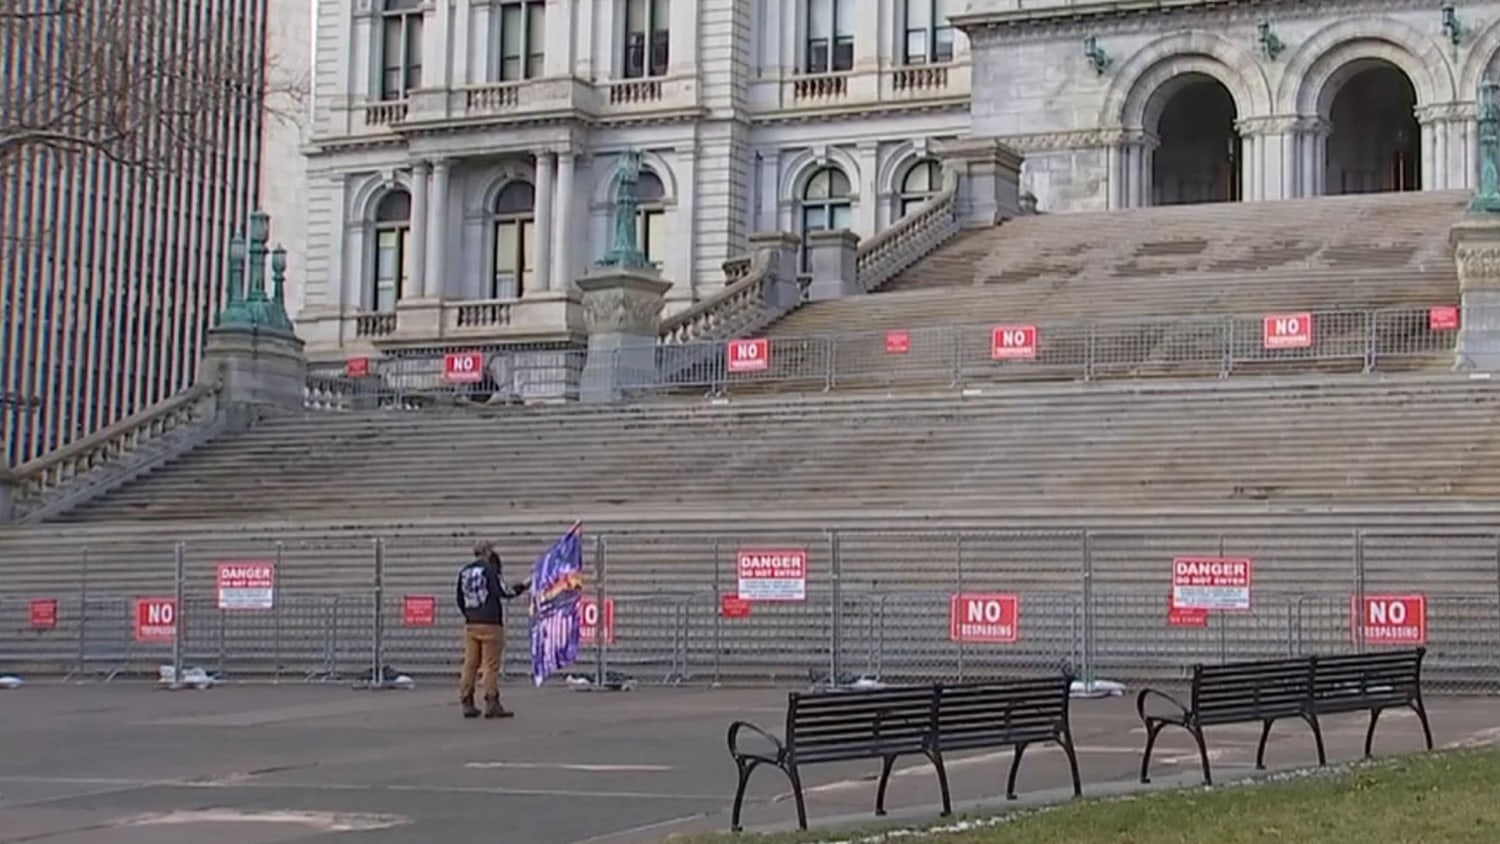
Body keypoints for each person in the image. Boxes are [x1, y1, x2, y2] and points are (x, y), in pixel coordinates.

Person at [456, 541, 529, 719]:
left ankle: (467, 700)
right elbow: (505, 591)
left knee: (470, 663)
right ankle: (491, 701)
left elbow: (459, 598)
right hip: (490, 622)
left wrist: (469, 614)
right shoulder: (490, 570)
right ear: (488, 552)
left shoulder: (464, 571)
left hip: (472, 622)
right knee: (491, 665)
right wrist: (524, 586)